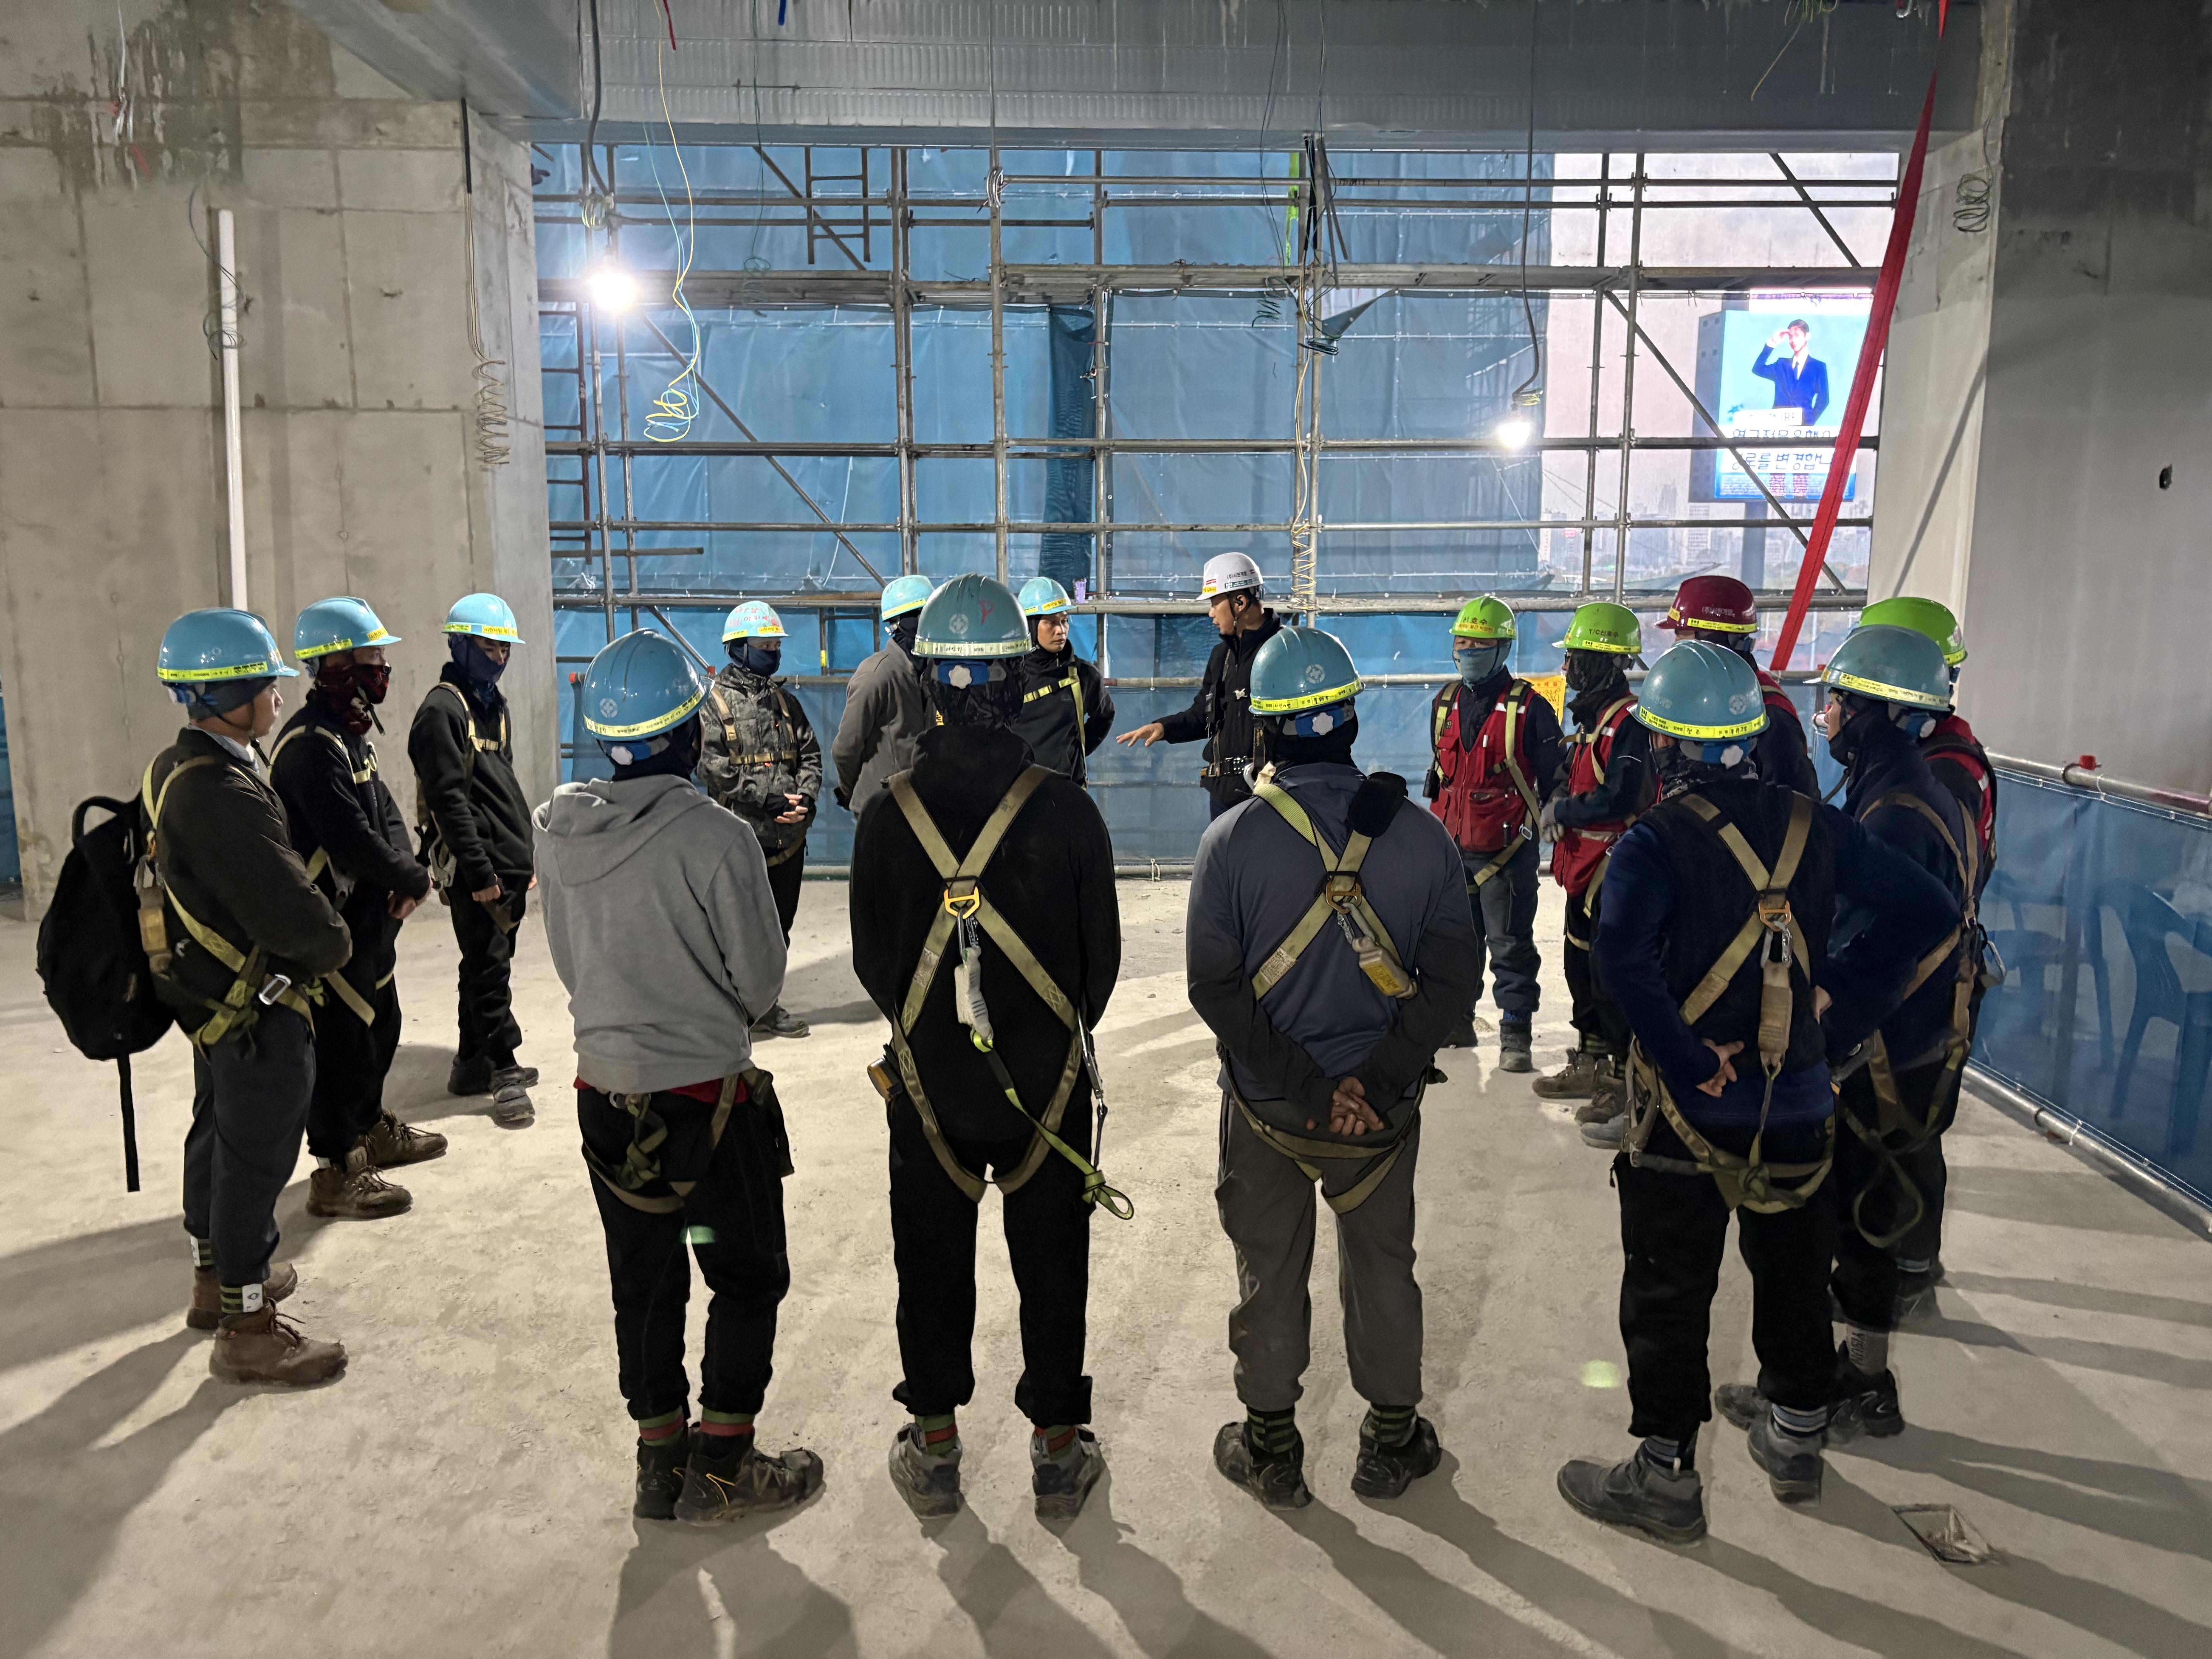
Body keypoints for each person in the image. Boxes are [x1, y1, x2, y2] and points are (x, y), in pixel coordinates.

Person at [1557, 642, 1958, 1542]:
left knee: (1669, 1288)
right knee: (1794, 1273)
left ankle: (1666, 1476)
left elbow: (1622, 965)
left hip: (1687, 1118)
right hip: (1801, 1103)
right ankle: (1797, 1435)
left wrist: (1686, 1056)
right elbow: (1931, 909)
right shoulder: (1817, 826)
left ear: (1667, 745)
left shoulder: (1652, 845)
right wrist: (1837, 999)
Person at [849, 574, 1124, 1524]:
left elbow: (874, 964)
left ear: (929, 683)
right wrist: (1042, 1035)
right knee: (1053, 1261)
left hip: (930, 1086)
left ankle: (934, 1449)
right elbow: (1100, 969)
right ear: (1015, 685)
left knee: (929, 1262)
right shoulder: (1069, 813)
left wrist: (935, 1031)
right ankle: (1058, 1450)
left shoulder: (887, 816)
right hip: (1047, 1085)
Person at [1189, 626, 1480, 1509]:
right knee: (1383, 1264)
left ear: (1265, 730)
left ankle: (1272, 1449)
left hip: (1269, 1105)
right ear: (1351, 722)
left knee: (1269, 1266)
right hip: (1379, 1116)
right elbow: (1455, 979)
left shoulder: (1230, 842)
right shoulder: (1423, 838)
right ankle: (1390, 1443)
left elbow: (1215, 987)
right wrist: (1375, 1083)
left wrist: (1311, 1088)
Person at [536, 629, 823, 1523]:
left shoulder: (557, 831)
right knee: (744, 1277)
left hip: (604, 1099)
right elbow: (761, 984)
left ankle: (660, 1465)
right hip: (708, 1105)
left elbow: (570, 966)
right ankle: (725, 1469)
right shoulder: (719, 839)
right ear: (692, 732)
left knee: (646, 1280)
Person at [146, 609, 352, 1384]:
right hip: (256, 1008)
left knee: (220, 1134)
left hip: (210, 1001)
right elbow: (298, 915)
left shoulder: (174, 767)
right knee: (257, 1159)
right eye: (265, 682)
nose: (276, 694)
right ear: (226, 694)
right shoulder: (223, 792)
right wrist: (335, 942)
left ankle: (216, 1277)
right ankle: (248, 1326)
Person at [1800, 624, 1974, 1441]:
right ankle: (1860, 1378)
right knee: (1863, 1214)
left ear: (1875, 712)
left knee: (1852, 1218)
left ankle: (1856, 1382)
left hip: (1884, 1050)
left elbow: (1882, 931)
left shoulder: (1897, 811)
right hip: (1913, 1037)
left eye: (1840, 701)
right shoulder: (1911, 785)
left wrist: (1827, 1001)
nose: (1829, 715)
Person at [271, 598, 440, 1224]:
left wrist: (407, 873)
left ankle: (370, 1128)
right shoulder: (309, 745)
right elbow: (347, 836)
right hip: (333, 922)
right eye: (372, 657)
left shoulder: (350, 733)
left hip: (371, 917)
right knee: (340, 1044)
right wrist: (408, 875)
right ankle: (337, 1168)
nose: (382, 667)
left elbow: (385, 813)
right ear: (334, 663)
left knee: (380, 1025)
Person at [1856, 594, 1994, 1310]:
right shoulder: (1939, 761)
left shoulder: (1937, 776)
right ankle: (1902, 1266)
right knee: (1903, 1121)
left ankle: (1907, 1272)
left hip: (1921, 983)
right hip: (1928, 974)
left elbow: (1920, 892)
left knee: (1903, 1123)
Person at [410, 592, 538, 1127]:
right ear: (459, 646)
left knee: (484, 962)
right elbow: (448, 802)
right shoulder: (442, 712)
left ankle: (470, 1064)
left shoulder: (492, 705)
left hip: (507, 864)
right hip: (478, 870)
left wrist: (523, 860)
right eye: (490, 648)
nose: (500, 658)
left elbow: (499, 786)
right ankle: (503, 1070)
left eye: (505, 650)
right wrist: (480, 872)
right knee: (490, 970)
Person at [1423, 596, 1565, 1070]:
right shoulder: (1445, 704)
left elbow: (1555, 775)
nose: (1467, 652)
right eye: (1462, 644)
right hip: (1451, 851)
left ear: (1503, 649)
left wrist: (1555, 812)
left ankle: (1515, 1035)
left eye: (1478, 645)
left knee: (1510, 945)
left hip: (1506, 853)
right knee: (1455, 945)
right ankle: (1458, 1022)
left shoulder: (1531, 709)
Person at [1533, 602, 1650, 1135]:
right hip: (1583, 866)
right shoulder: (1591, 720)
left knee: (1610, 974)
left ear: (1605, 662)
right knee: (1580, 967)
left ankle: (1621, 1080)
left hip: (1615, 867)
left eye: (1576, 658)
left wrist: (1567, 812)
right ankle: (1591, 1058)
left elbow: (1624, 796)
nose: (1567, 668)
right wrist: (1558, 799)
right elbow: (1568, 770)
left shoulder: (1630, 725)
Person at [698, 599, 822, 1041]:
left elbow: (811, 755)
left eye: (776, 646)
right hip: (739, 843)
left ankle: (766, 1006)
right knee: (736, 932)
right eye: (765, 646)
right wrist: (763, 796)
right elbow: (711, 766)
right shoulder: (713, 705)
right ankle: (733, 1011)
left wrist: (806, 798)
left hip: (788, 841)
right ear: (738, 648)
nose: (773, 653)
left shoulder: (786, 703)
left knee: (778, 929)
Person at [1116, 551, 1283, 819]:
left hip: (1272, 797)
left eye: (1215, 603)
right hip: (1224, 796)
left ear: (1240, 602)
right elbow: (1203, 716)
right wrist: (1164, 728)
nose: (1211, 613)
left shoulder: (1286, 651)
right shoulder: (1222, 656)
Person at [1659, 574, 1818, 797]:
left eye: (1682, 636)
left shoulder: (1768, 711)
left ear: (1712, 641)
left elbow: (1795, 804)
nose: (1675, 647)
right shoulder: (1705, 700)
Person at [832, 574, 934, 816]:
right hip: (884, 809)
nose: (927, 624)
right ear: (896, 624)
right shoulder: (875, 674)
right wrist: (851, 791)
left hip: (926, 805)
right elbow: (846, 748)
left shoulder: (934, 671)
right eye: (917, 616)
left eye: (930, 615)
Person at [1010, 577, 1115, 785]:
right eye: (1051, 622)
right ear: (1030, 625)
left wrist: (1073, 754)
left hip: (1066, 789)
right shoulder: (1007, 676)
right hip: (1015, 790)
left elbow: (1104, 716)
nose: (1061, 630)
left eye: (1064, 620)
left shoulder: (1083, 675)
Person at [1752, 319, 1830, 424]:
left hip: (1803, 427)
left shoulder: (1818, 367)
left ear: (1807, 336)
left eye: (1797, 335)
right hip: (1777, 425)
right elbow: (1758, 369)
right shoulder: (1781, 365)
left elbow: (1824, 399)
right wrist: (1773, 343)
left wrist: (1809, 421)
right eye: (1790, 337)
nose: (1793, 340)